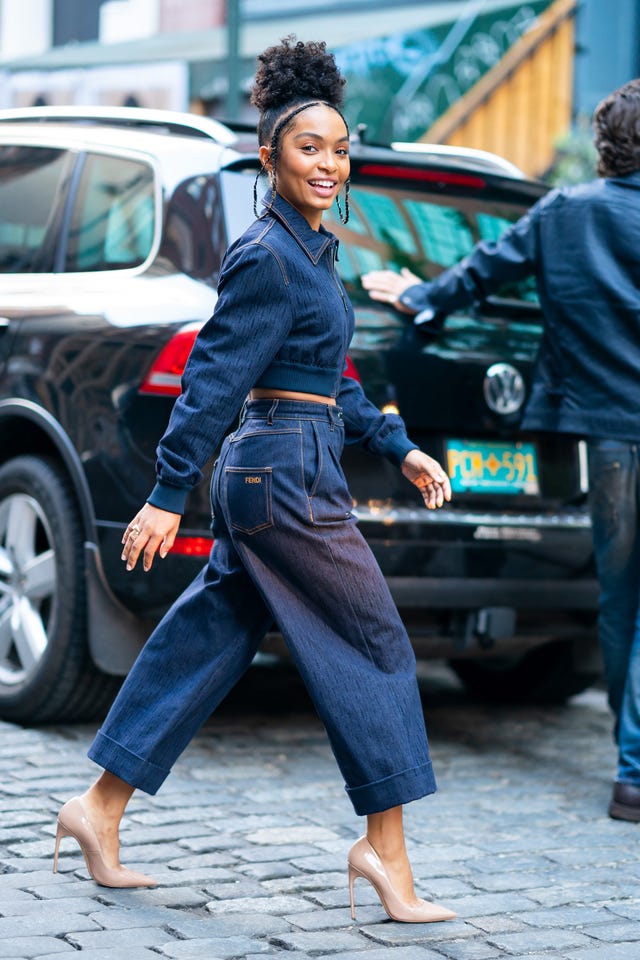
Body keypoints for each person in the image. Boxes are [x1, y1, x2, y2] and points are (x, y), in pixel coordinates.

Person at [53, 37, 457, 924]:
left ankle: (98, 808)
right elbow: (214, 378)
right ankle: (385, 855)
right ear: (269, 154)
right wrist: (165, 492)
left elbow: (331, 375)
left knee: (210, 637)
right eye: (308, 147)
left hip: (289, 466)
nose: (327, 163)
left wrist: (396, 444)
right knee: (376, 644)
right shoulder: (267, 254)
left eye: (340, 148)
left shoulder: (314, 250)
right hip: (282, 476)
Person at [362, 77, 640, 823]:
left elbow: (481, 270)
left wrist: (415, 298)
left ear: (606, 146)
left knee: (621, 600)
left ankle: (634, 767)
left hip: (611, 439)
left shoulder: (564, 212)